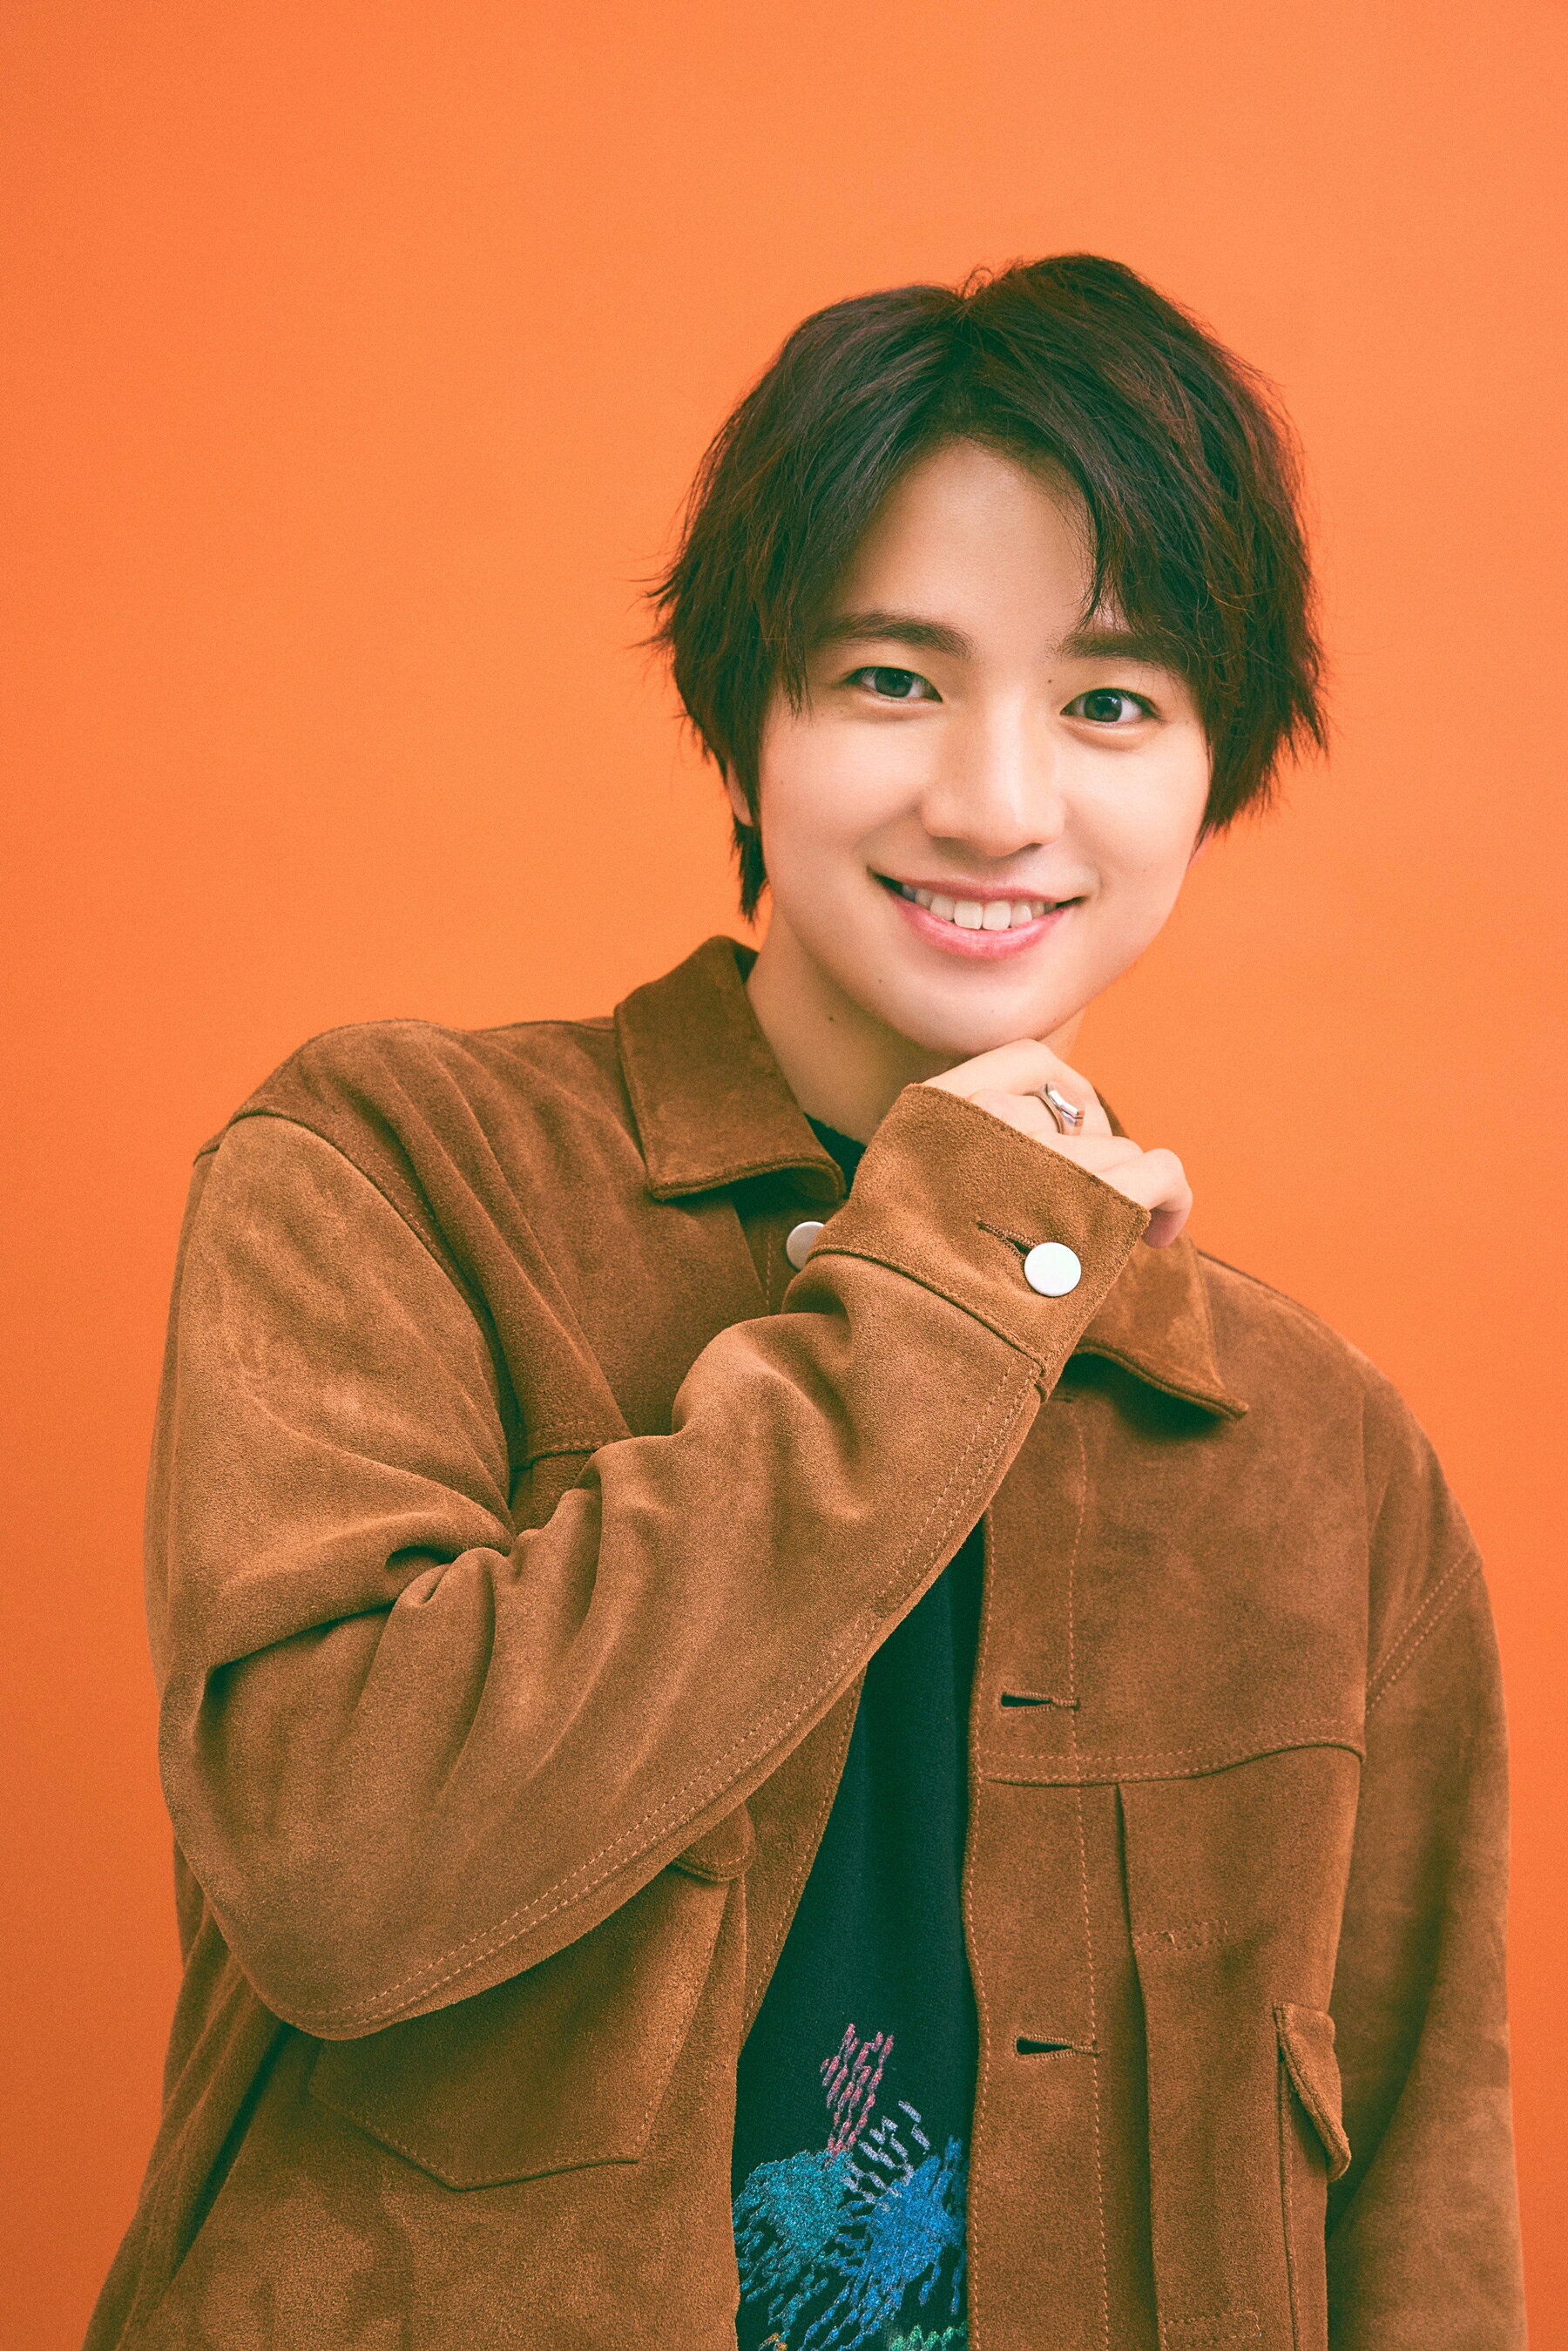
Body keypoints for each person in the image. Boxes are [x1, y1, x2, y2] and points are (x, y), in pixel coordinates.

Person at [87, 256, 1524, 2351]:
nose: (999, 803)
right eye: (892, 678)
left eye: (1111, 705)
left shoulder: (1327, 1454)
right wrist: (955, 1268)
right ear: (746, 724)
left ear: (1215, 770)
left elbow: (1422, 2199)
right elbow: (336, 1884)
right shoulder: (393, 1170)